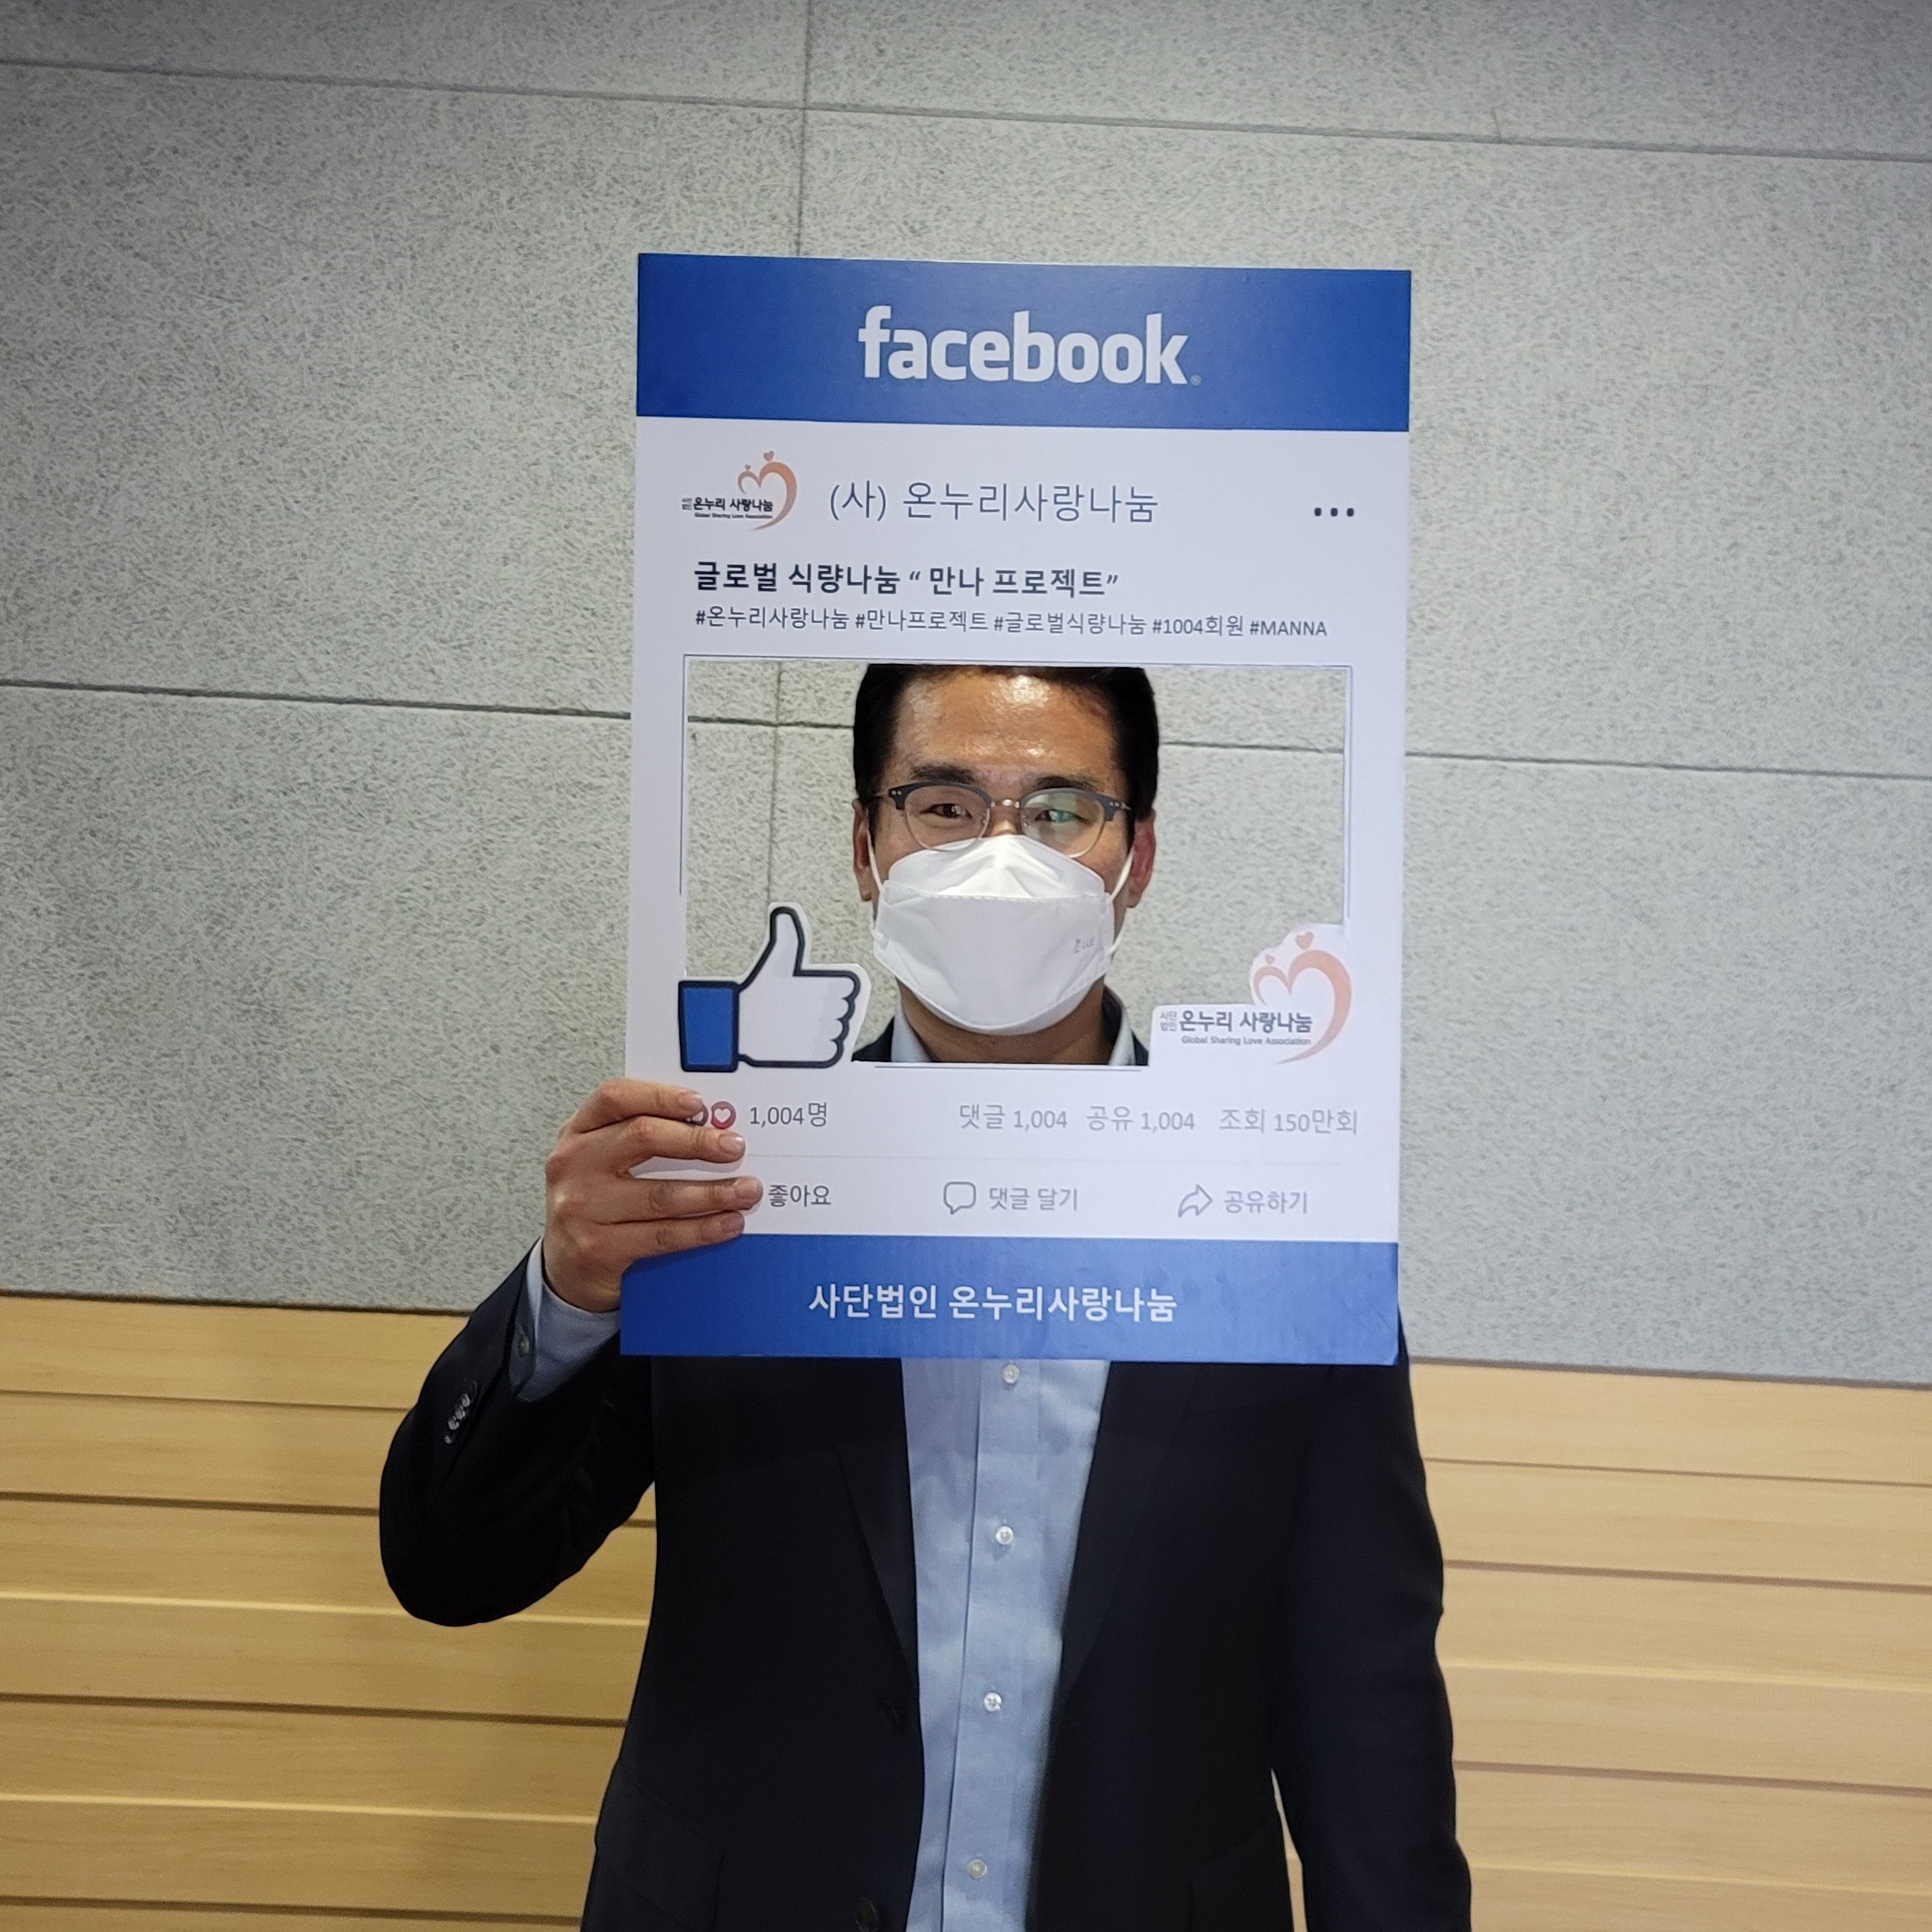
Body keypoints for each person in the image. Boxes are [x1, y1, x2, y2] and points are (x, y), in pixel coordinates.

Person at [380, 665, 1470, 1932]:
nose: (1002, 856)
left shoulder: (1275, 1215)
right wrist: (569, 1295)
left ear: (1135, 858)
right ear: (866, 846)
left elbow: (1364, 1694)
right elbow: (452, 1566)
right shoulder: (728, 1189)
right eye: (945, 806)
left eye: (1060, 810)